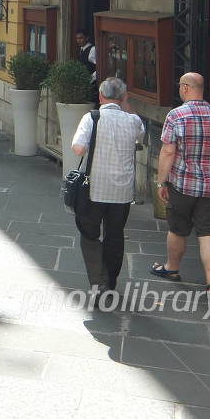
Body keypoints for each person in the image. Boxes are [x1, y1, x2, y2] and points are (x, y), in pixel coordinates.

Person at [151, 72, 210, 302]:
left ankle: (172, 268)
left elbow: (168, 151)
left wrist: (161, 180)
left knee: (177, 228)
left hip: (182, 184)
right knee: (207, 232)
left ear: (185, 88)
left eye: (179, 86)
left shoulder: (176, 116)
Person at [70, 77, 145, 296]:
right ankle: (110, 281)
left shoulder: (91, 117)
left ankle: (99, 282)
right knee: (115, 234)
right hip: (122, 191)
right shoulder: (133, 120)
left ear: (101, 96)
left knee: (89, 234)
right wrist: (127, 107)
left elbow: (77, 148)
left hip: (93, 188)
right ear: (123, 97)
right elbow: (140, 136)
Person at [75, 30, 98, 105]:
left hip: (91, 84)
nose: (78, 41)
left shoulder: (92, 50)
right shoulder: (81, 50)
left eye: (81, 38)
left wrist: (91, 78)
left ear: (87, 38)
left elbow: (98, 67)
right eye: (77, 38)